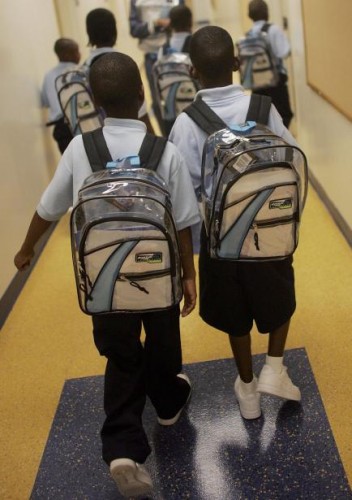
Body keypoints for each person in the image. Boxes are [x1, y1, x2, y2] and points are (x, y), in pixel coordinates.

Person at [14, 52, 200, 498]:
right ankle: (169, 402)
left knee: (121, 356)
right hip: (157, 280)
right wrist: (188, 276)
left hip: (103, 282)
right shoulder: (164, 151)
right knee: (162, 341)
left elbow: (48, 208)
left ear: (93, 100)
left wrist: (26, 248)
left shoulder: (80, 147)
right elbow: (181, 223)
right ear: (142, 95)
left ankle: (121, 446)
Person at [169, 26, 301, 422]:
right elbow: (293, 159)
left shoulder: (186, 124)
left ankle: (246, 388)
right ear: (237, 63)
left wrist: (190, 258)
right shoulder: (263, 109)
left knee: (235, 312)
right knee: (281, 294)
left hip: (221, 240)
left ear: (193, 72)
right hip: (271, 230)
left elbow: (184, 200)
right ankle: (275, 367)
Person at [84, 7, 155, 135]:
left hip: (96, 143)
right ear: (114, 32)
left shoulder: (83, 71)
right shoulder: (126, 66)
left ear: (89, 34)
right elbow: (142, 113)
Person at [129, 0, 185, 133]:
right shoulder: (136, 2)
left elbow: (183, 18)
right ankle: (167, 139)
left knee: (183, 94)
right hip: (152, 56)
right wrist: (155, 24)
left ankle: (185, 134)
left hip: (177, 53)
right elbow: (134, 29)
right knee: (159, 102)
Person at [246, 0, 294, 129]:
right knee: (284, 114)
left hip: (257, 82)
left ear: (250, 16)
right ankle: (281, 141)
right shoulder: (273, 29)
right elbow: (283, 52)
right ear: (267, 12)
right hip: (275, 81)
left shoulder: (249, 34)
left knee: (262, 117)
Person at [41, 38, 80, 154]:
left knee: (72, 166)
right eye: (76, 51)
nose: (79, 54)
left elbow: (45, 102)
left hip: (61, 129)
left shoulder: (48, 76)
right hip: (81, 123)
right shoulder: (78, 71)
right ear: (67, 54)